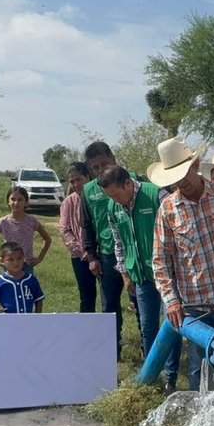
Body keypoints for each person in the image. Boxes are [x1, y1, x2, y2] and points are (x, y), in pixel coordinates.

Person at [150, 137, 214, 392]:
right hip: (196, 307)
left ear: (195, 165)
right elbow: (160, 261)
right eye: (173, 176)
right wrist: (171, 300)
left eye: (183, 172)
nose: (180, 180)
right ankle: (200, 422)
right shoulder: (168, 209)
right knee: (199, 369)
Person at [99, 166, 170, 382]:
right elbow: (119, 242)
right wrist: (124, 272)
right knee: (148, 328)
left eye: (117, 194)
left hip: (168, 274)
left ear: (128, 183)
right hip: (140, 276)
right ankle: (151, 377)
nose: (115, 199)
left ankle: (170, 376)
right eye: (110, 196)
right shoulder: (113, 206)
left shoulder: (157, 195)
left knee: (171, 326)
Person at [79, 142, 127, 358]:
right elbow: (87, 224)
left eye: (104, 164)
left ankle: (150, 350)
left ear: (113, 158)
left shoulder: (133, 180)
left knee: (142, 306)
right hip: (107, 256)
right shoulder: (88, 191)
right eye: (95, 168)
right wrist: (91, 256)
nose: (100, 171)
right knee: (109, 306)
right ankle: (112, 353)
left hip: (136, 255)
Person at [0, 186, 51, 271]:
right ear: (8, 202)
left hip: (26, 265)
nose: (16, 203)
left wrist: (40, 258)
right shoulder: (3, 222)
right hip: (8, 265)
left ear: (26, 202)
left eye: (20, 200)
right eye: (12, 199)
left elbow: (47, 239)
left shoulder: (31, 221)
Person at [59, 162, 97, 312]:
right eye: (72, 181)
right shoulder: (68, 202)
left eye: (78, 179)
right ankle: (87, 332)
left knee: (109, 298)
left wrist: (95, 253)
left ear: (88, 177)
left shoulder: (99, 197)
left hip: (103, 254)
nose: (75, 184)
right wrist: (84, 252)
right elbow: (65, 230)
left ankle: (111, 333)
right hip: (80, 257)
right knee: (87, 297)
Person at [0, 242, 45, 314]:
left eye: (19, 258)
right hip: (8, 321)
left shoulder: (31, 279)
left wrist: (37, 316)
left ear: (23, 259)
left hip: (28, 320)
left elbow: (39, 300)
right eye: (10, 260)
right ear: (2, 261)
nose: (16, 262)